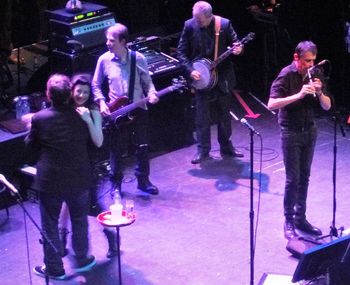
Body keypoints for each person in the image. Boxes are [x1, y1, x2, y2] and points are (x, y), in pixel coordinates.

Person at [26, 74, 96, 280]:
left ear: (48, 95)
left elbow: (31, 146)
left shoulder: (39, 118)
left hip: (51, 181)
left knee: (50, 224)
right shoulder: (82, 115)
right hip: (79, 177)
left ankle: (55, 269)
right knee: (79, 220)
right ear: (69, 94)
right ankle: (82, 259)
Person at [267, 41, 331, 240]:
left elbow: (327, 107)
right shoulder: (286, 75)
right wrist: (299, 94)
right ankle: (288, 220)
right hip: (291, 132)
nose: (310, 65)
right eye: (306, 61)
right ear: (297, 58)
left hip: (309, 131)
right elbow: (271, 104)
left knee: (305, 177)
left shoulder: (316, 73)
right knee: (293, 179)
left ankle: (300, 217)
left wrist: (319, 92)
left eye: (313, 61)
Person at [92, 23, 160, 196]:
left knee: (142, 147)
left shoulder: (138, 58)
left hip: (138, 108)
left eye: (112, 40)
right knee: (116, 150)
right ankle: (116, 185)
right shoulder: (104, 60)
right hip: (117, 113)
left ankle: (143, 181)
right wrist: (101, 102)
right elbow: (95, 84)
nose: (108, 43)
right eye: (107, 40)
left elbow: (148, 82)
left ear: (123, 42)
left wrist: (152, 94)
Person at [177, 1, 244, 164]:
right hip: (200, 77)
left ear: (209, 17)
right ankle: (203, 150)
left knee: (224, 115)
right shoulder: (189, 25)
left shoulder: (224, 24)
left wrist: (239, 49)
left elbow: (237, 44)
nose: (197, 23)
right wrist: (190, 70)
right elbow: (181, 51)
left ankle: (226, 147)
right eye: (195, 19)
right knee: (202, 117)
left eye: (199, 20)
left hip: (222, 77)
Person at [59, 73, 119, 258]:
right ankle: (62, 242)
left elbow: (99, 141)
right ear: (72, 91)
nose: (82, 95)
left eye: (85, 92)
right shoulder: (67, 109)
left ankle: (112, 239)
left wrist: (88, 120)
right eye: (78, 91)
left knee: (93, 205)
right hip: (69, 165)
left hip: (88, 166)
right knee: (66, 203)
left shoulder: (92, 110)